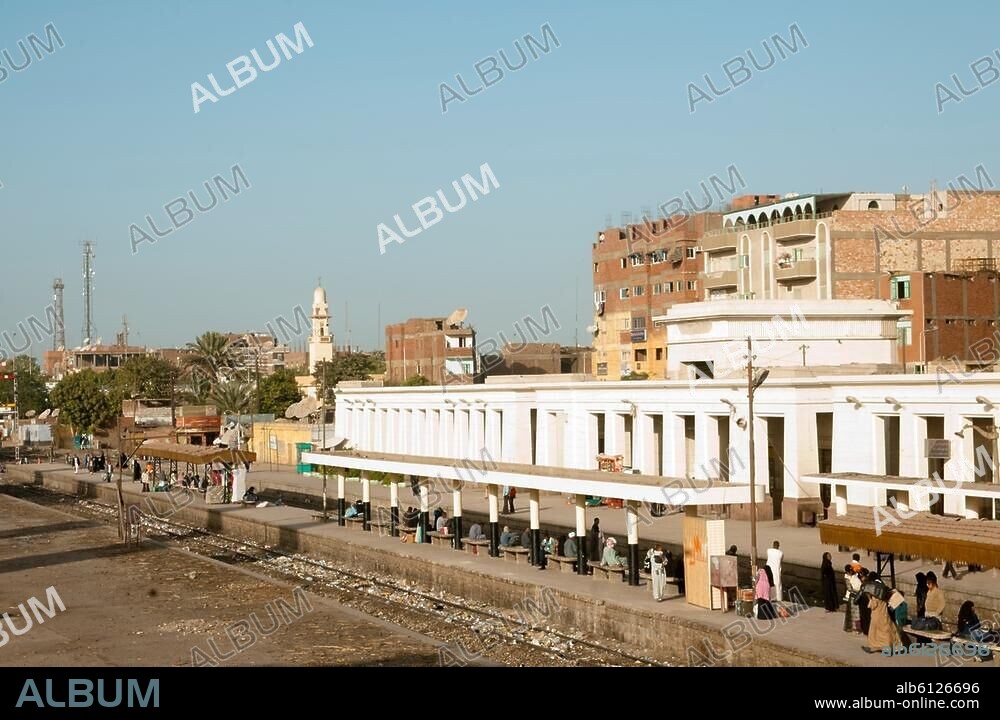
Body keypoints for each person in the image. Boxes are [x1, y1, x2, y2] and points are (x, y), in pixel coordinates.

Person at [843, 565, 861, 634]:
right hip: (853, 597)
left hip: (857, 595)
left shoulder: (855, 575)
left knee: (858, 613)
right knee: (854, 614)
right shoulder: (847, 578)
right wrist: (857, 591)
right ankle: (855, 628)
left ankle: (858, 627)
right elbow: (849, 589)